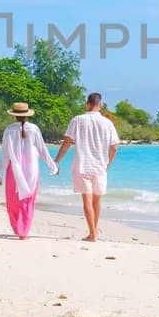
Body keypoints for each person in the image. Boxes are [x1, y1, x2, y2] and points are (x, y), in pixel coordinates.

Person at [53, 92, 120, 242]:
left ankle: (92, 234)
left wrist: (57, 161)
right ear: (100, 105)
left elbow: (67, 142)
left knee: (87, 201)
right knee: (97, 201)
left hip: (82, 165)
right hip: (100, 167)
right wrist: (107, 164)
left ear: (87, 104)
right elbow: (114, 147)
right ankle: (94, 231)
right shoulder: (107, 123)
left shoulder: (77, 120)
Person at [0, 102, 58, 239]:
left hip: (14, 170)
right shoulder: (34, 129)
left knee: (12, 200)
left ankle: (17, 228)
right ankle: (23, 231)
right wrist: (53, 166)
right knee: (28, 200)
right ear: (27, 115)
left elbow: (5, 155)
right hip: (32, 170)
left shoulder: (9, 130)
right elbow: (42, 150)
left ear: (13, 116)